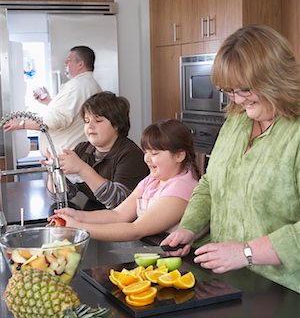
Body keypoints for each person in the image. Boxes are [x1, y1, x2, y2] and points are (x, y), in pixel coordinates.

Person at [162, 24, 300, 294]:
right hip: (225, 280)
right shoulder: (236, 121)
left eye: (245, 90)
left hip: (282, 289)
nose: (237, 99)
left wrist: (247, 252)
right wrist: (189, 228)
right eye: (229, 90)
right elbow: (210, 185)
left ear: (275, 78)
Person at [51, 119, 200, 241]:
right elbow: (118, 215)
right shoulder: (152, 180)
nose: (147, 159)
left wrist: (78, 227)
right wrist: (78, 216)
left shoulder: (181, 187)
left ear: (179, 155)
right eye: (146, 152)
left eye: (154, 153)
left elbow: (136, 230)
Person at [46, 91, 149, 209]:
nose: (90, 126)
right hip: (96, 214)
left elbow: (120, 203)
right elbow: (62, 196)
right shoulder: (83, 149)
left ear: (116, 124)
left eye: (98, 120)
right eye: (86, 121)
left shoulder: (131, 154)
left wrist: (82, 169)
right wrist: (54, 171)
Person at [3, 45, 102, 155]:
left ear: (80, 64)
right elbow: (71, 113)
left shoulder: (76, 86)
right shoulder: (91, 85)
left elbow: (56, 120)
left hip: (67, 157)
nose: (65, 64)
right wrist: (49, 102)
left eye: (68, 61)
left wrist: (22, 123)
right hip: (75, 155)